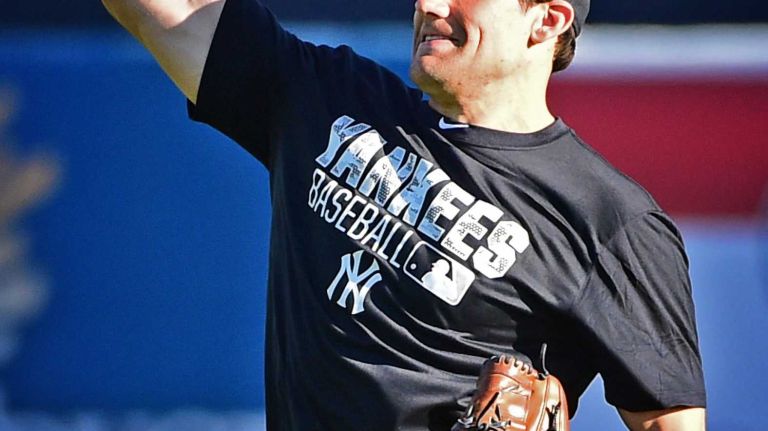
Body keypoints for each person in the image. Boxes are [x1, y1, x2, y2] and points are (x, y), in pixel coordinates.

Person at [101, 0, 707, 429]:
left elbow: (670, 423)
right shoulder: (325, 97)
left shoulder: (609, 219)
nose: (428, 3)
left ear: (546, 20)